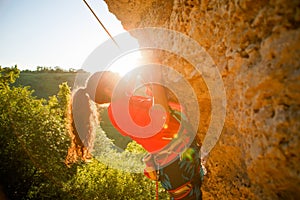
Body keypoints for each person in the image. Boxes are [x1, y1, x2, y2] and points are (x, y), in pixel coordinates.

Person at [65, 61, 204, 200]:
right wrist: (155, 81)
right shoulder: (118, 110)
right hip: (177, 169)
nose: (118, 75)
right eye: (113, 76)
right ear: (108, 89)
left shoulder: (125, 103)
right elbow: (161, 119)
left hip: (180, 163)